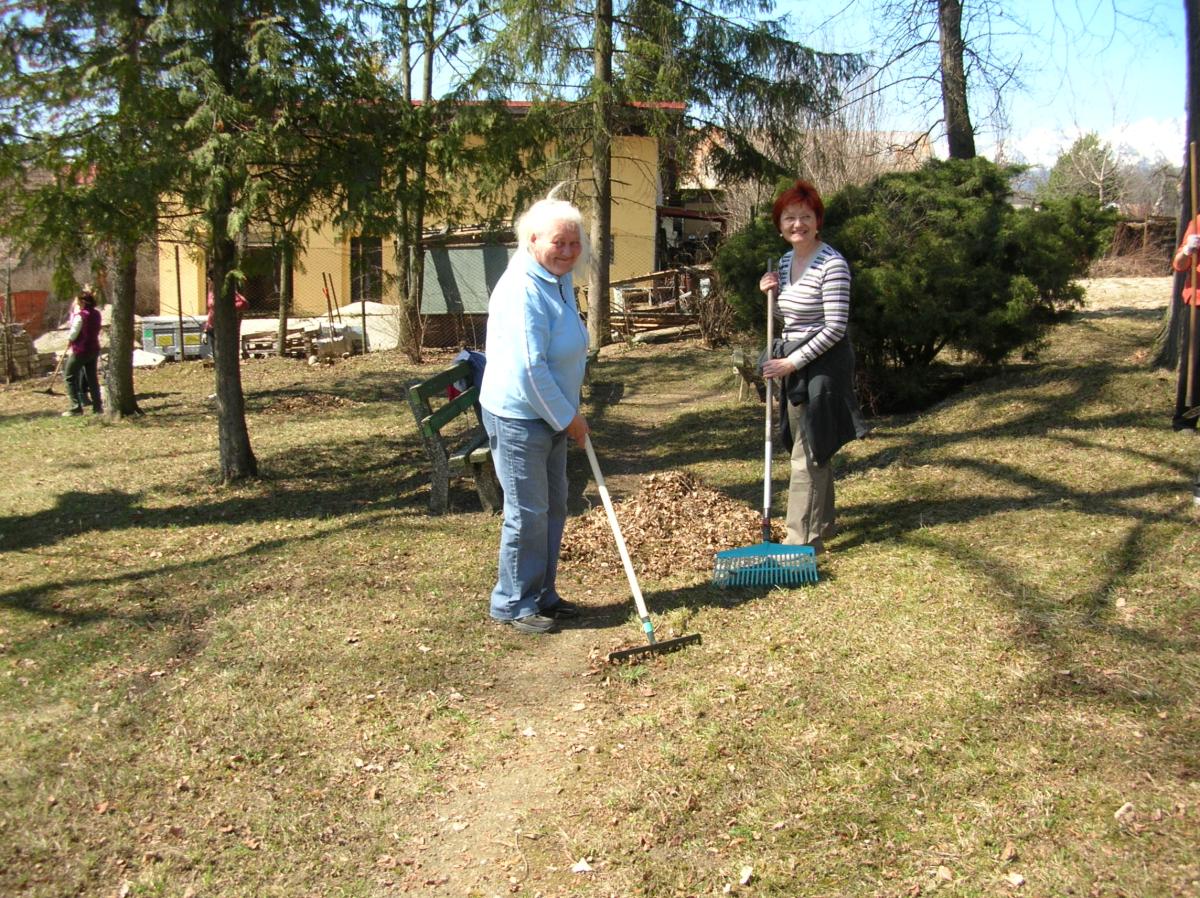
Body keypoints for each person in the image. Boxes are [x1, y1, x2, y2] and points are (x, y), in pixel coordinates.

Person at [478, 196, 591, 634]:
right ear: (532, 240)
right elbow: (530, 369)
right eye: (559, 242)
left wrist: (567, 412)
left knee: (553, 506)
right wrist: (569, 418)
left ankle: (543, 593)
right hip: (519, 417)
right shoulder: (522, 289)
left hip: (553, 413)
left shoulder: (557, 279)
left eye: (574, 243)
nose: (568, 251)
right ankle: (513, 602)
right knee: (527, 512)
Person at [758, 179, 868, 553]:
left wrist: (792, 362)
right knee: (807, 444)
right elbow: (789, 318)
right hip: (794, 361)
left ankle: (799, 542)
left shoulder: (832, 264)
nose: (798, 224)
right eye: (789, 217)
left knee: (808, 450)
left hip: (824, 365)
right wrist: (770, 294)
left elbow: (835, 327)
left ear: (818, 221)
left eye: (806, 216)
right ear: (780, 225)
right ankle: (823, 523)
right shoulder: (786, 261)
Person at [61, 290, 103, 417]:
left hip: (81, 350)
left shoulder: (81, 316)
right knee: (92, 378)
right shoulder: (97, 314)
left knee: (69, 376)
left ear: (82, 302)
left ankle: (75, 408)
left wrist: (69, 340)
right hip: (94, 349)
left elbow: (74, 332)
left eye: (78, 301)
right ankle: (97, 407)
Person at [204, 279, 248, 357]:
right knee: (216, 354)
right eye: (208, 280)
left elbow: (244, 303)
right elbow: (211, 311)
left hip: (225, 328)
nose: (209, 282)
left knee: (226, 354)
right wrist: (206, 329)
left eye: (210, 280)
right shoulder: (211, 292)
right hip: (213, 327)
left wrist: (226, 309)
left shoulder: (227, 292)